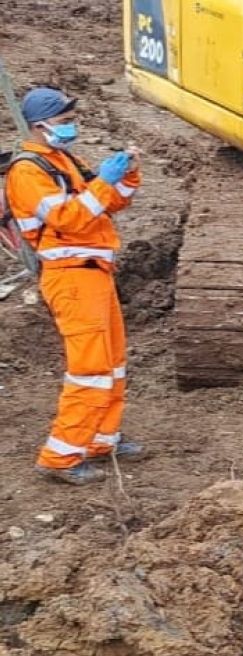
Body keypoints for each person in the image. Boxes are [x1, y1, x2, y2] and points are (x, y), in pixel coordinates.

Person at [6, 87, 144, 485]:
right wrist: (103, 183)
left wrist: (127, 173)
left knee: (113, 361)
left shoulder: (62, 159)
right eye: (65, 122)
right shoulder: (27, 171)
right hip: (70, 276)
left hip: (93, 273)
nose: (71, 127)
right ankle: (61, 456)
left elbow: (109, 203)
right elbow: (69, 217)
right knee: (91, 368)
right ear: (39, 126)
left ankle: (101, 438)